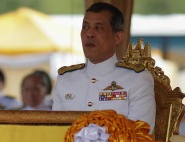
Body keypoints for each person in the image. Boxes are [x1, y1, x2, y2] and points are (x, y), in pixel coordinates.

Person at [52, 2, 155, 132]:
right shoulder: (65, 80)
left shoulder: (137, 80)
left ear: (117, 37)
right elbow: (54, 132)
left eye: (99, 28)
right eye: (85, 27)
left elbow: (140, 135)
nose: (89, 34)